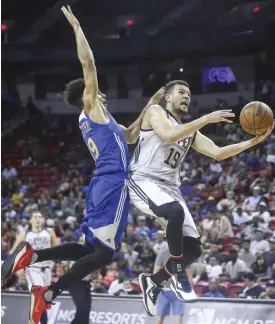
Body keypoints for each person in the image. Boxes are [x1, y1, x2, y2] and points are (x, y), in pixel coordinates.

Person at [1, 6, 162, 324]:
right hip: (113, 181)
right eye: (97, 92)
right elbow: (88, 64)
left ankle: (36, 259)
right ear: (90, 96)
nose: (102, 93)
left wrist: (149, 105)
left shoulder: (102, 121)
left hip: (104, 182)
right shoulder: (92, 110)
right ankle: (46, 294)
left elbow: (130, 137)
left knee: (91, 249)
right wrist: (77, 27)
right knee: (104, 254)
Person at [128, 79, 273, 315]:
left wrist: (253, 141)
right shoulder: (155, 111)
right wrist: (205, 119)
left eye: (189, 93)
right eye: (181, 92)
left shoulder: (190, 131)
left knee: (194, 249)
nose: (187, 96)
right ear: (167, 97)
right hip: (144, 180)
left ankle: (153, 282)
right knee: (174, 211)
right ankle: (177, 273)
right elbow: (168, 134)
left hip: (170, 188)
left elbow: (217, 153)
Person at [8, 211, 57, 324]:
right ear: (30, 220)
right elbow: (13, 252)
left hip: (47, 269)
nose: (38, 219)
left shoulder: (49, 232)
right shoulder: (25, 235)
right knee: (41, 295)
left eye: (40, 217)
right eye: (35, 217)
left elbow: (57, 249)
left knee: (42, 299)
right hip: (33, 270)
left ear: (43, 220)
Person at [154, 246, 185, 324]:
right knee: (177, 319)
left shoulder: (162, 253)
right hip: (171, 290)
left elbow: (155, 272)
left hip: (174, 290)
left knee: (161, 319)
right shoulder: (184, 254)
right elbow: (156, 272)